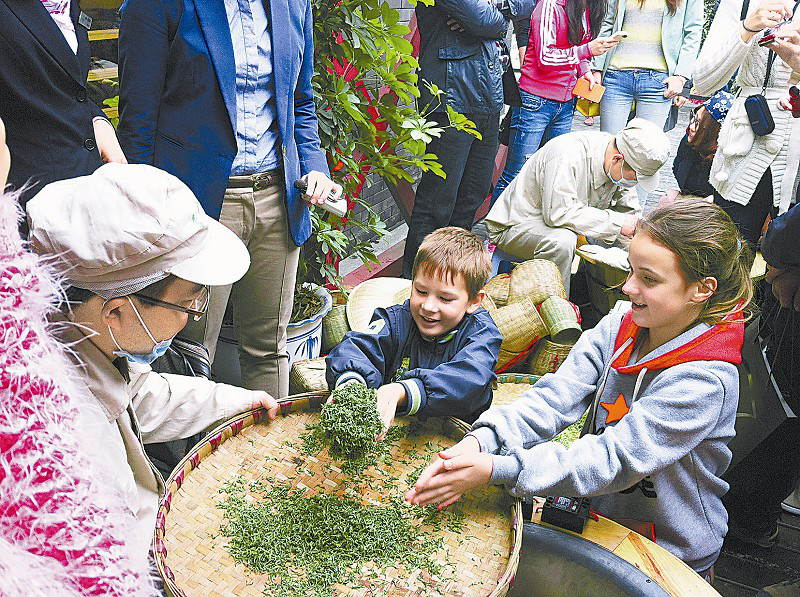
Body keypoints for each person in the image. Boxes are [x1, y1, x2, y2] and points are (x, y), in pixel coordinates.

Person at [407, 200, 753, 577]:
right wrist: (483, 440)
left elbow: (612, 459)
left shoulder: (703, 380)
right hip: (600, 517)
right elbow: (556, 397)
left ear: (701, 290)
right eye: (631, 269)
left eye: (648, 279)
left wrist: (498, 468)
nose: (628, 286)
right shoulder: (624, 323)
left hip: (667, 547)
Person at [25, 163, 281, 565]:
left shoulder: (83, 336)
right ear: (116, 313)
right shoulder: (70, 441)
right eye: (187, 302)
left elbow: (137, 393)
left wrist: (235, 402)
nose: (193, 315)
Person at [117, 0, 342, 400]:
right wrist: (144, 205)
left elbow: (301, 103)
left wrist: (314, 165)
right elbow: (138, 115)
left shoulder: (294, 5)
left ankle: (266, 455)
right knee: (189, 353)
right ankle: (192, 460)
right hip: (196, 204)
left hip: (278, 195)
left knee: (268, 349)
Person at [401, 0, 533, 278]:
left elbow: (526, 6)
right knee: (438, 199)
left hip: (489, 95)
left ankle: (451, 275)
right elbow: (490, 22)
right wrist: (495, 17)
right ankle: (413, 282)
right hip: (450, 96)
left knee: (471, 196)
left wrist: (494, 9)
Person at [326, 227, 502, 432]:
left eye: (445, 298)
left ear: (473, 301)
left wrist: (403, 390)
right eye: (421, 291)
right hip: (393, 434)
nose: (428, 306)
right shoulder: (396, 320)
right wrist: (351, 383)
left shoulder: (482, 334)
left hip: (456, 441)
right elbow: (358, 348)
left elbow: (469, 379)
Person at [485, 117, 669, 296]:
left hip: (567, 225)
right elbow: (558, 214)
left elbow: (629, 214)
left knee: (626, 238)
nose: (635, 182)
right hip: (517, 224)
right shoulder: (567, 154)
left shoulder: (620, 164)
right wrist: (619, 223)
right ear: (617, 159)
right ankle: (559, 310)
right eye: (636, 176)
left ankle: (591, 296)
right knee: (562, 241)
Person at [0, 0, 126, 221]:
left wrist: (97, 120)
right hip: (28, 204)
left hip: (84, 195)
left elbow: (68, 86)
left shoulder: (69, 5)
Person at [489, 0, 618, 205]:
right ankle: (495, 234)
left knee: (551, 172)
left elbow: (578, 50)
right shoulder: (550, 5)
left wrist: (585, 72)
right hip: (535, 101)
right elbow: (546, 57)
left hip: (566, 102)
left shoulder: (586, 8)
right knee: (517, 173)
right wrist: (587, 51)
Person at [692, 0, 799, 247]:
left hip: (794, 155)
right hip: (743, 149)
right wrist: (748, 27)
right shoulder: (740, 3)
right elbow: (703, 82)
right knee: (728, 255)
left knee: (787, 273)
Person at [593, 0, 703, 134]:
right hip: (615, 76)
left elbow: (693, 32)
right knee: (610, 144)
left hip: (658, 81)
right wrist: (597, 68)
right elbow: (607, 24)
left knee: (647, 147)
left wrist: (680, 76)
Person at [669, 91, 734, 199]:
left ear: (714, 132)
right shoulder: (690, 141)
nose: (692, 126)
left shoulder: (724, 160)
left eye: (699, 123)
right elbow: (676, 168)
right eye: (693, 118)